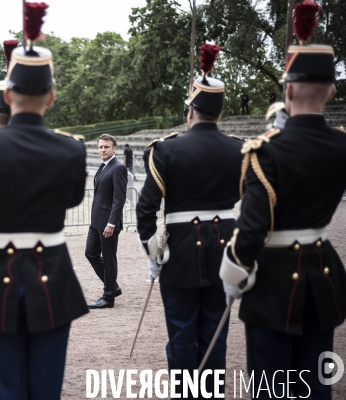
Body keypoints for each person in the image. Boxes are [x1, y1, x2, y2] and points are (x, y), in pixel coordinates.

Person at [0, 5, 88, 397]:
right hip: (53, 277)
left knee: (2, 387)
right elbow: (73, 198)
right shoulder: (71, 150)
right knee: (45, 388)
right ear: (52, 97)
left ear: (7, 95)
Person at [220, 8, 346, 398]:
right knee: (316, 386)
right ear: (331, 91)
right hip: (322, 273)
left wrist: (233, 273)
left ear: (288, 90)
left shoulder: (266, 151)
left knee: (272, 388)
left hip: (272, 283)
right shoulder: (341, 146)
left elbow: (253, 227)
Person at [136, 43, 242, 395]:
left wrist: (154, 254)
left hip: (179, 255)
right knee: (215, 335)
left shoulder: (165, 148)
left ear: (191, 111)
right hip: (226, 252)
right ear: (219, 112)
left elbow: (145, 209)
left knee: (182, 333)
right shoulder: (241, 149)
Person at [85, 134, 127, 309]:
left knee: (109, 260)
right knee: (90, 253)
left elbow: (119, 199)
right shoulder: (103, 167)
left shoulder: (118, 168)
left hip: (107, 223)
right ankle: (113, 286)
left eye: (106, 147)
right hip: (96, 222)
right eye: (100, 147)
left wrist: (112, 223)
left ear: (114, 149)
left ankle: (108, 297)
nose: (102, 150)